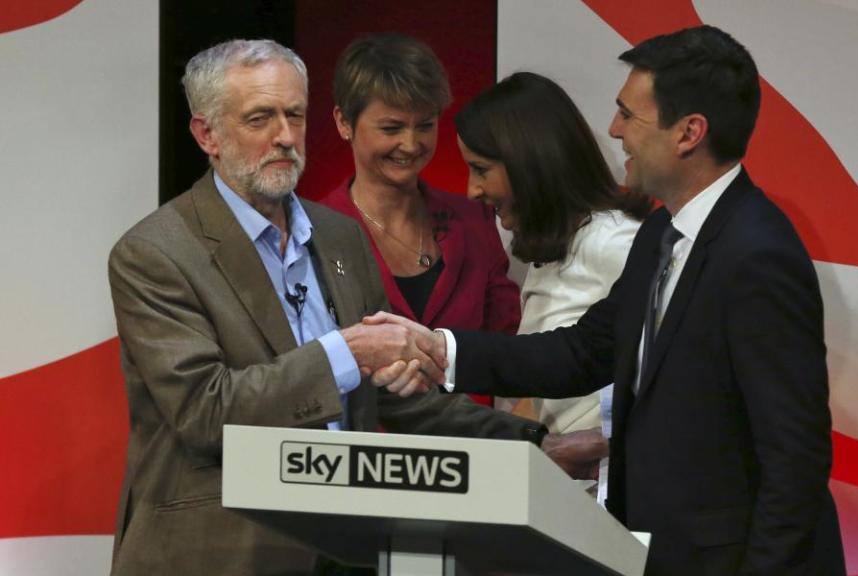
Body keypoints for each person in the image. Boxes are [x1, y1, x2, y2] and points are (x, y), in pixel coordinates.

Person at [370, 26, 846, 575]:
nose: (614, 130)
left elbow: (794, 460)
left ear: (689, 132)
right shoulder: (662, 235)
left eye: (630, 116)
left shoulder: (758, 253)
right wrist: (439, 350)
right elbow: (583, 351)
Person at [107, 39, 547, 576]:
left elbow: (399, 397)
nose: (285, 137)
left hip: (349, 551)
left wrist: (537, 444)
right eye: (259, 119)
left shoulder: (339, 237)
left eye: (294, 115)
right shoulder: (155, 253)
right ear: (207, 135)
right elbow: (206, 411)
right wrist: (346, 350)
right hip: (224, 553)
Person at [454, 72, 650, 484]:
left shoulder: (616, 243)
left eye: (481, 169)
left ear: (530, 163)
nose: (472, 189)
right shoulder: (551, 251)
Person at [321, 34, 520, 407]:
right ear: (344, 122)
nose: (411, 145)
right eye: (392, 128)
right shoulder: (311, 232)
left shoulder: (474, 219)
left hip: (475, 448)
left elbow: (507, 345)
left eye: (425, 125)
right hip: (360, 453)